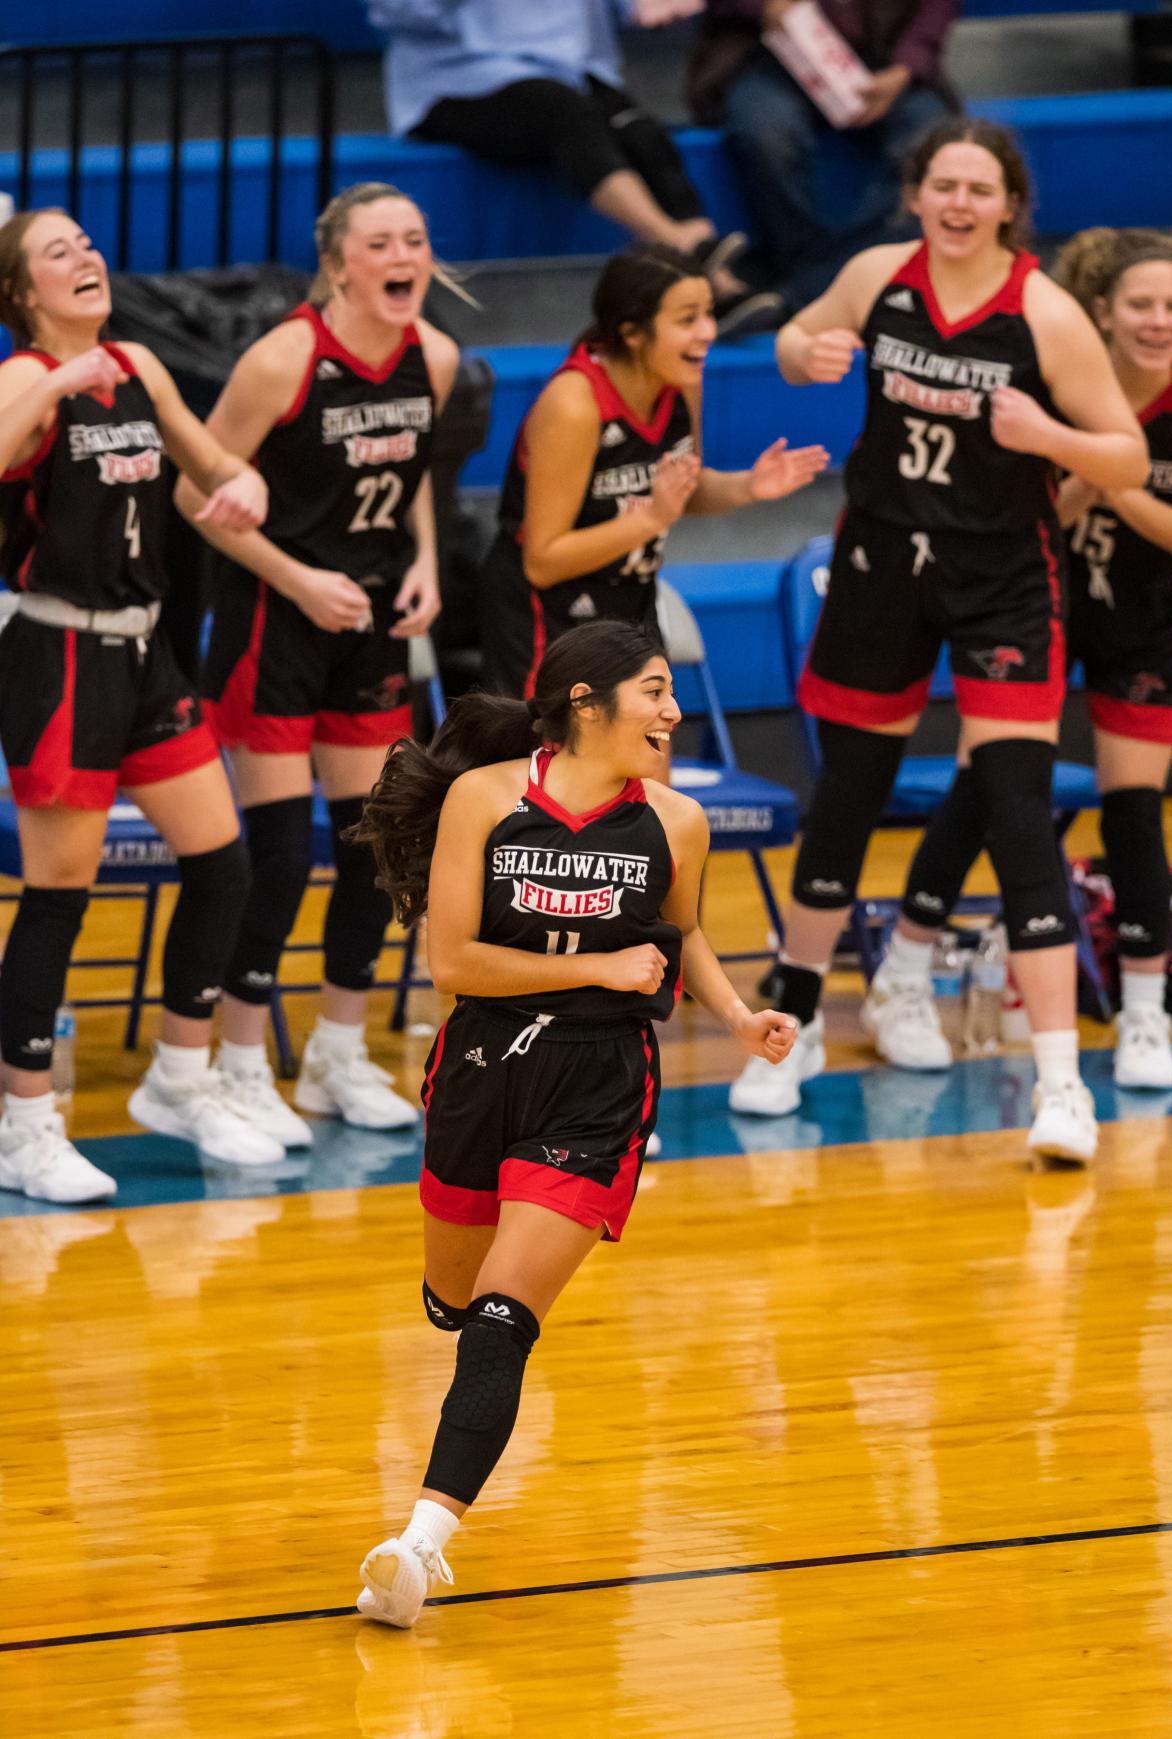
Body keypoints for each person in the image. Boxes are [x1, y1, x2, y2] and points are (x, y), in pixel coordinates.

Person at [348, 619, 796, 1626]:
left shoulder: (678, 821)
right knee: (457, 1299)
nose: (673, 711)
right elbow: (455, 963)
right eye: (653, 691)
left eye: (672, 690)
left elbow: (679, 936)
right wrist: (595, 963)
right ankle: (462, 1399)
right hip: (479, 1066)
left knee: (505, 1317)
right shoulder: (483, 799)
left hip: (599, 1084)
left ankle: (416, 1547)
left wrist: (734, 1014)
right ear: (587, 706)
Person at [726, 118, 1149, 1164]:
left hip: (1002, 576)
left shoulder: (1045, 314)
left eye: (980, 188)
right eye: (943, 184)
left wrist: (1049, 438)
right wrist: (803, 351)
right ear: (917, 195)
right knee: (847, 800)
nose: (960, 203)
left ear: (1010, 205)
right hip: (880, 561)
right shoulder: (877, 275)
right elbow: (792, 341)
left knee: (1018, 812)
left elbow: (1129, 458)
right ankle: (794, 1025)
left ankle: (1061, 1089)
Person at [863, 227, 1172, 1091]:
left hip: (1144, 615)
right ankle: (906, 970)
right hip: (1040, 599)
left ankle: (1145, 1015)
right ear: (1102, 312)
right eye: (1140, 305)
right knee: (985, 783)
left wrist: (1115, 473)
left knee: (1134, 809)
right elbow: (1040, 510)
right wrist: (1084, 456)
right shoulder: (1063, 382)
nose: (1159, 321)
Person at [0, 208, 271, 1203]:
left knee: (223, 863)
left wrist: (244, 490)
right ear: (24, 295)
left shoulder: (140, 366)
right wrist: (51, 384)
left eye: (87, 243)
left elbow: (217, 469)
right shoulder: (27, 378)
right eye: (56, 252)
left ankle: (180, 1077)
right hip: (59, 652)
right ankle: (24, 1121)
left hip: (150, 653)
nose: (85, 258)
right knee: (59, 895)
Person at [181, 183, 459, 1144]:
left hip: (371, 621)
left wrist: (421, 559)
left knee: (377, 854)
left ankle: (338, 1057)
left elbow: (412, 471)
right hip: (274, 620)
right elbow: (192, 490)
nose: (403, 255)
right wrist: (298, 579)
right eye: (381, 241)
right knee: (280, 857)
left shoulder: (437, 356)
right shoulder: (284, 358)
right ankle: (241, 1063)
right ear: (340, 263)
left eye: (415, 239)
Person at [481, 243, 828, 699]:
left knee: (647, 757)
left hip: (631, 600)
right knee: (555, 768)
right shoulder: (574, 405)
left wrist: (748, 486)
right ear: (632, 333)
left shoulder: (682, 380)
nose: (707, 331)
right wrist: (648, 520)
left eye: (709, 313)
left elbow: (684, 491)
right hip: (546, 614)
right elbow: (544, 561)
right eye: (687, 320)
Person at [367, 0, 780, 334]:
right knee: (562, 112)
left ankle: (713, 286)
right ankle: (675, 244)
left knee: (642, 134)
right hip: (461, 77)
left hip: (576, 72)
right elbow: (396, 10)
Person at [688, 0, 959, 313]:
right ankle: (822, 274)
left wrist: (906, 67)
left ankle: (806, 289)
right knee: (767, 134)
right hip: (767, 55)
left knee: (933, 145)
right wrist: (764, 6)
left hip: (884, 59)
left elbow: (935, 8)